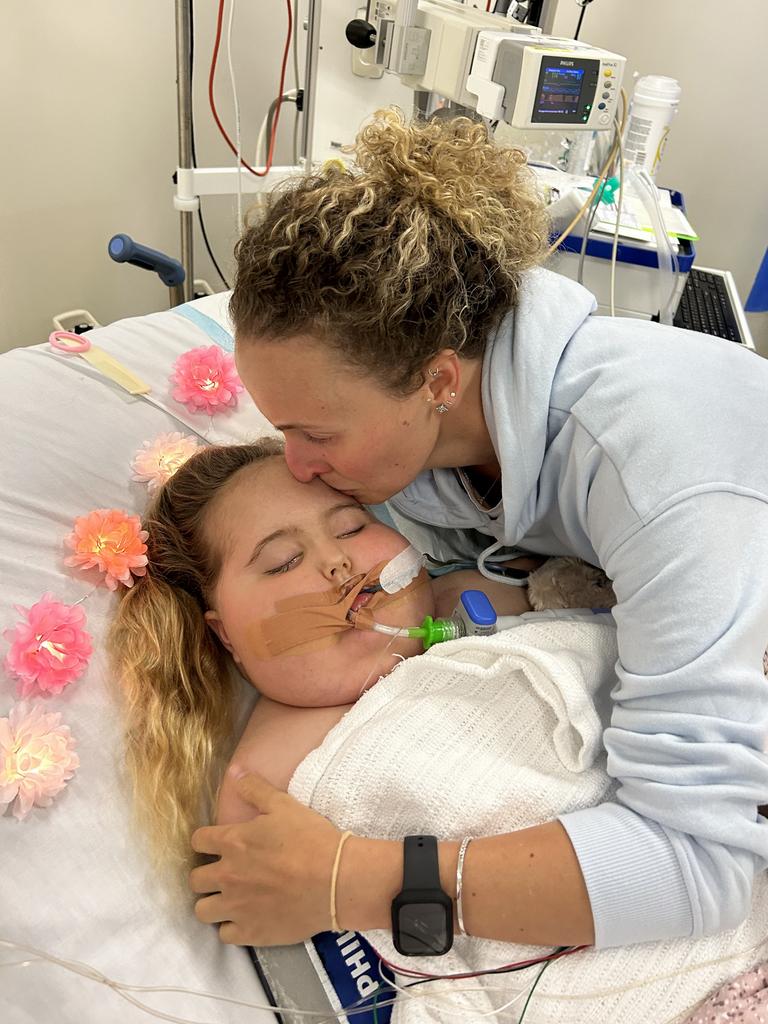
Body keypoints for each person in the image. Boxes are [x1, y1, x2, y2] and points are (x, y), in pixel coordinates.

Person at [187, 107, 768, 952]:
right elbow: (377, 619)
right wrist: (255, 771)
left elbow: (695, 867)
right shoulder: (416, 460)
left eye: (316, 435)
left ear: (437, 380)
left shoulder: (655, 471)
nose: (300, 467)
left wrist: (353, 881)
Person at [107, 438, 536, 881]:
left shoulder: (496, 595)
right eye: (283, 562)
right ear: (225, 635)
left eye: (352, 527)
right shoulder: (263, 787)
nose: (336, 560)